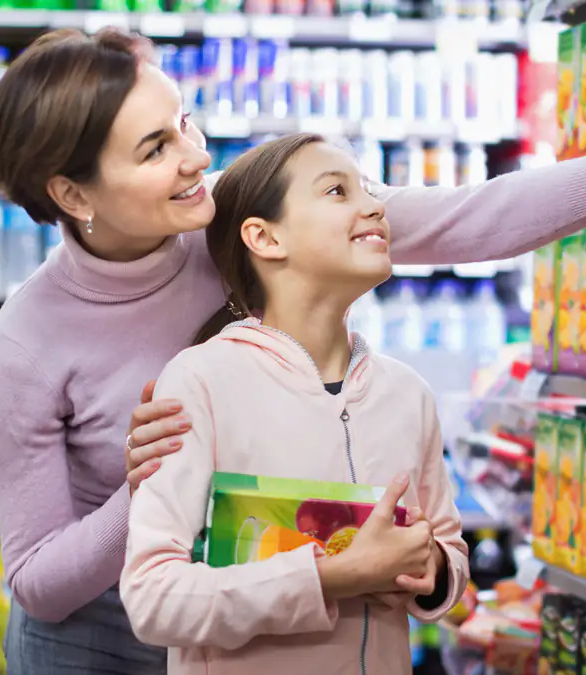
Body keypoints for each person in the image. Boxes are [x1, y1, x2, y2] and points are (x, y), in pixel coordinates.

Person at [0, 26, 586, 674]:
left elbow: (469, 218)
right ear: (74, 195)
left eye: (184, 122)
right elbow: (39, 579)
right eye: (155, 148)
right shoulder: (27, 340)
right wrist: (148, 483)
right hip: (95, 640)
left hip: (253, 612)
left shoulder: (225, 227)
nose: (195, 155)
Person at [120, 132, 469, 674]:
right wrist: (332, 576)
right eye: (337, 191)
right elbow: (153, 598)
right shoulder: (202, 381)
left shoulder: (408, 394)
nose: (375, 206)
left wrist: (431, 567)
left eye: (369, 190)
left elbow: (447, 548)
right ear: (264, 237)